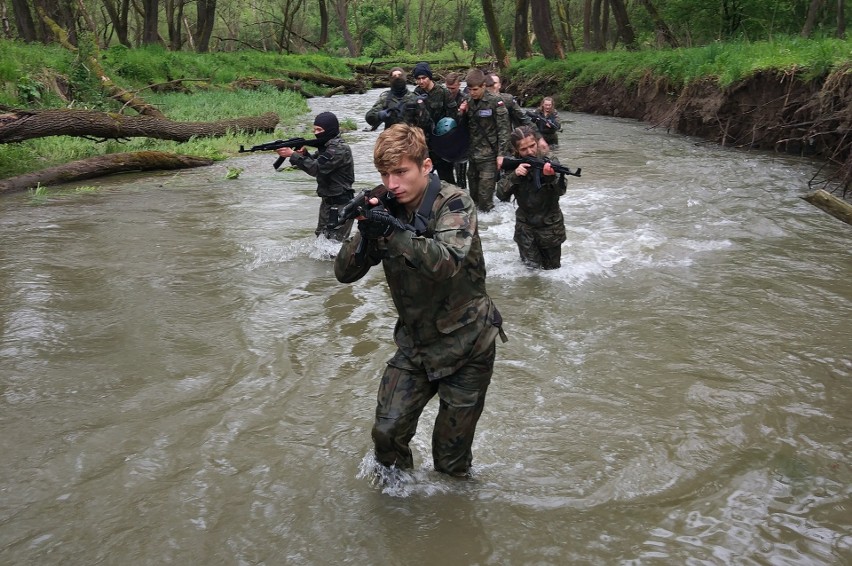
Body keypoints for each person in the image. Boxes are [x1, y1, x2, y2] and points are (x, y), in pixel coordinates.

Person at [334, 123, 507, 478]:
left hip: (468, 345)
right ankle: (398, 510)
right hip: (415, 344)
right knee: (386, 434)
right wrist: (367, 234)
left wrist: (391, 232)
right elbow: (344, 273)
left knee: (450, 461)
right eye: (385, 173)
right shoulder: (386, 206)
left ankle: (451, 519)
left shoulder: (455, 202)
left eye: (400, 172)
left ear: (425, 166)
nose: (392, 183)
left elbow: (446, 262)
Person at [496, 126, 568, 270]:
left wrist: (550, 177)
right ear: (516, 150)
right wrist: (515, 176)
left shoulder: (550, 160)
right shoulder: (513, 165)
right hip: (525, 227)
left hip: (550, 227)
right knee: (531, 272)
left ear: (537, 142)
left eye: (532, 146)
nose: (529, 151)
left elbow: (561, 190)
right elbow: (500, 194)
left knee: (552, 273)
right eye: (523, 149)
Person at [276, 111, 355, 241]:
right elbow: (316, 162)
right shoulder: (327, 147)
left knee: (334, 245)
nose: (316, 133)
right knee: (321, 240)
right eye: (314, 130)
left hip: (341, 204)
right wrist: (304, 154)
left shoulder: (339, 149)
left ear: (329, 129)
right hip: (327, 202)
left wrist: (292, 155)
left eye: (319, 130)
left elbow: (316, 169)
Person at [457, 69, 510, 212]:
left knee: (485, 200)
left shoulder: (495, 102)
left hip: (489, 156)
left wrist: (501, 154)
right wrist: (461, 112)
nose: (472, 92)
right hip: (473, 156)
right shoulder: (468, 101)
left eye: (475, 89)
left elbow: (504, 130)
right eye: (469, 89)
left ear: (483, 86)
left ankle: (492, 226)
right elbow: (461, 127)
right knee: (473, 199)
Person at [412, 61, 458, 184]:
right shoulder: (414, 95)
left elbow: (453, 117)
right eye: (418, 79)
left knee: (448, 181)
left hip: (442, 145)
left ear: (429, 77)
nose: (421, 82)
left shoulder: (443, 93)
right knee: (423, 182)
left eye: (423, 78)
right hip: (423, 146)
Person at [444, 72, 469, 190]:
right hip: (446, 141)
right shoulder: (443, 97)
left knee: (461, 175)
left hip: (460, 142)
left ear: (459, 85)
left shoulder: (464, 99)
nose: (450, 91)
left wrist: (461, 111)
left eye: (452, 88)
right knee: (446, 174)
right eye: (448, 88)